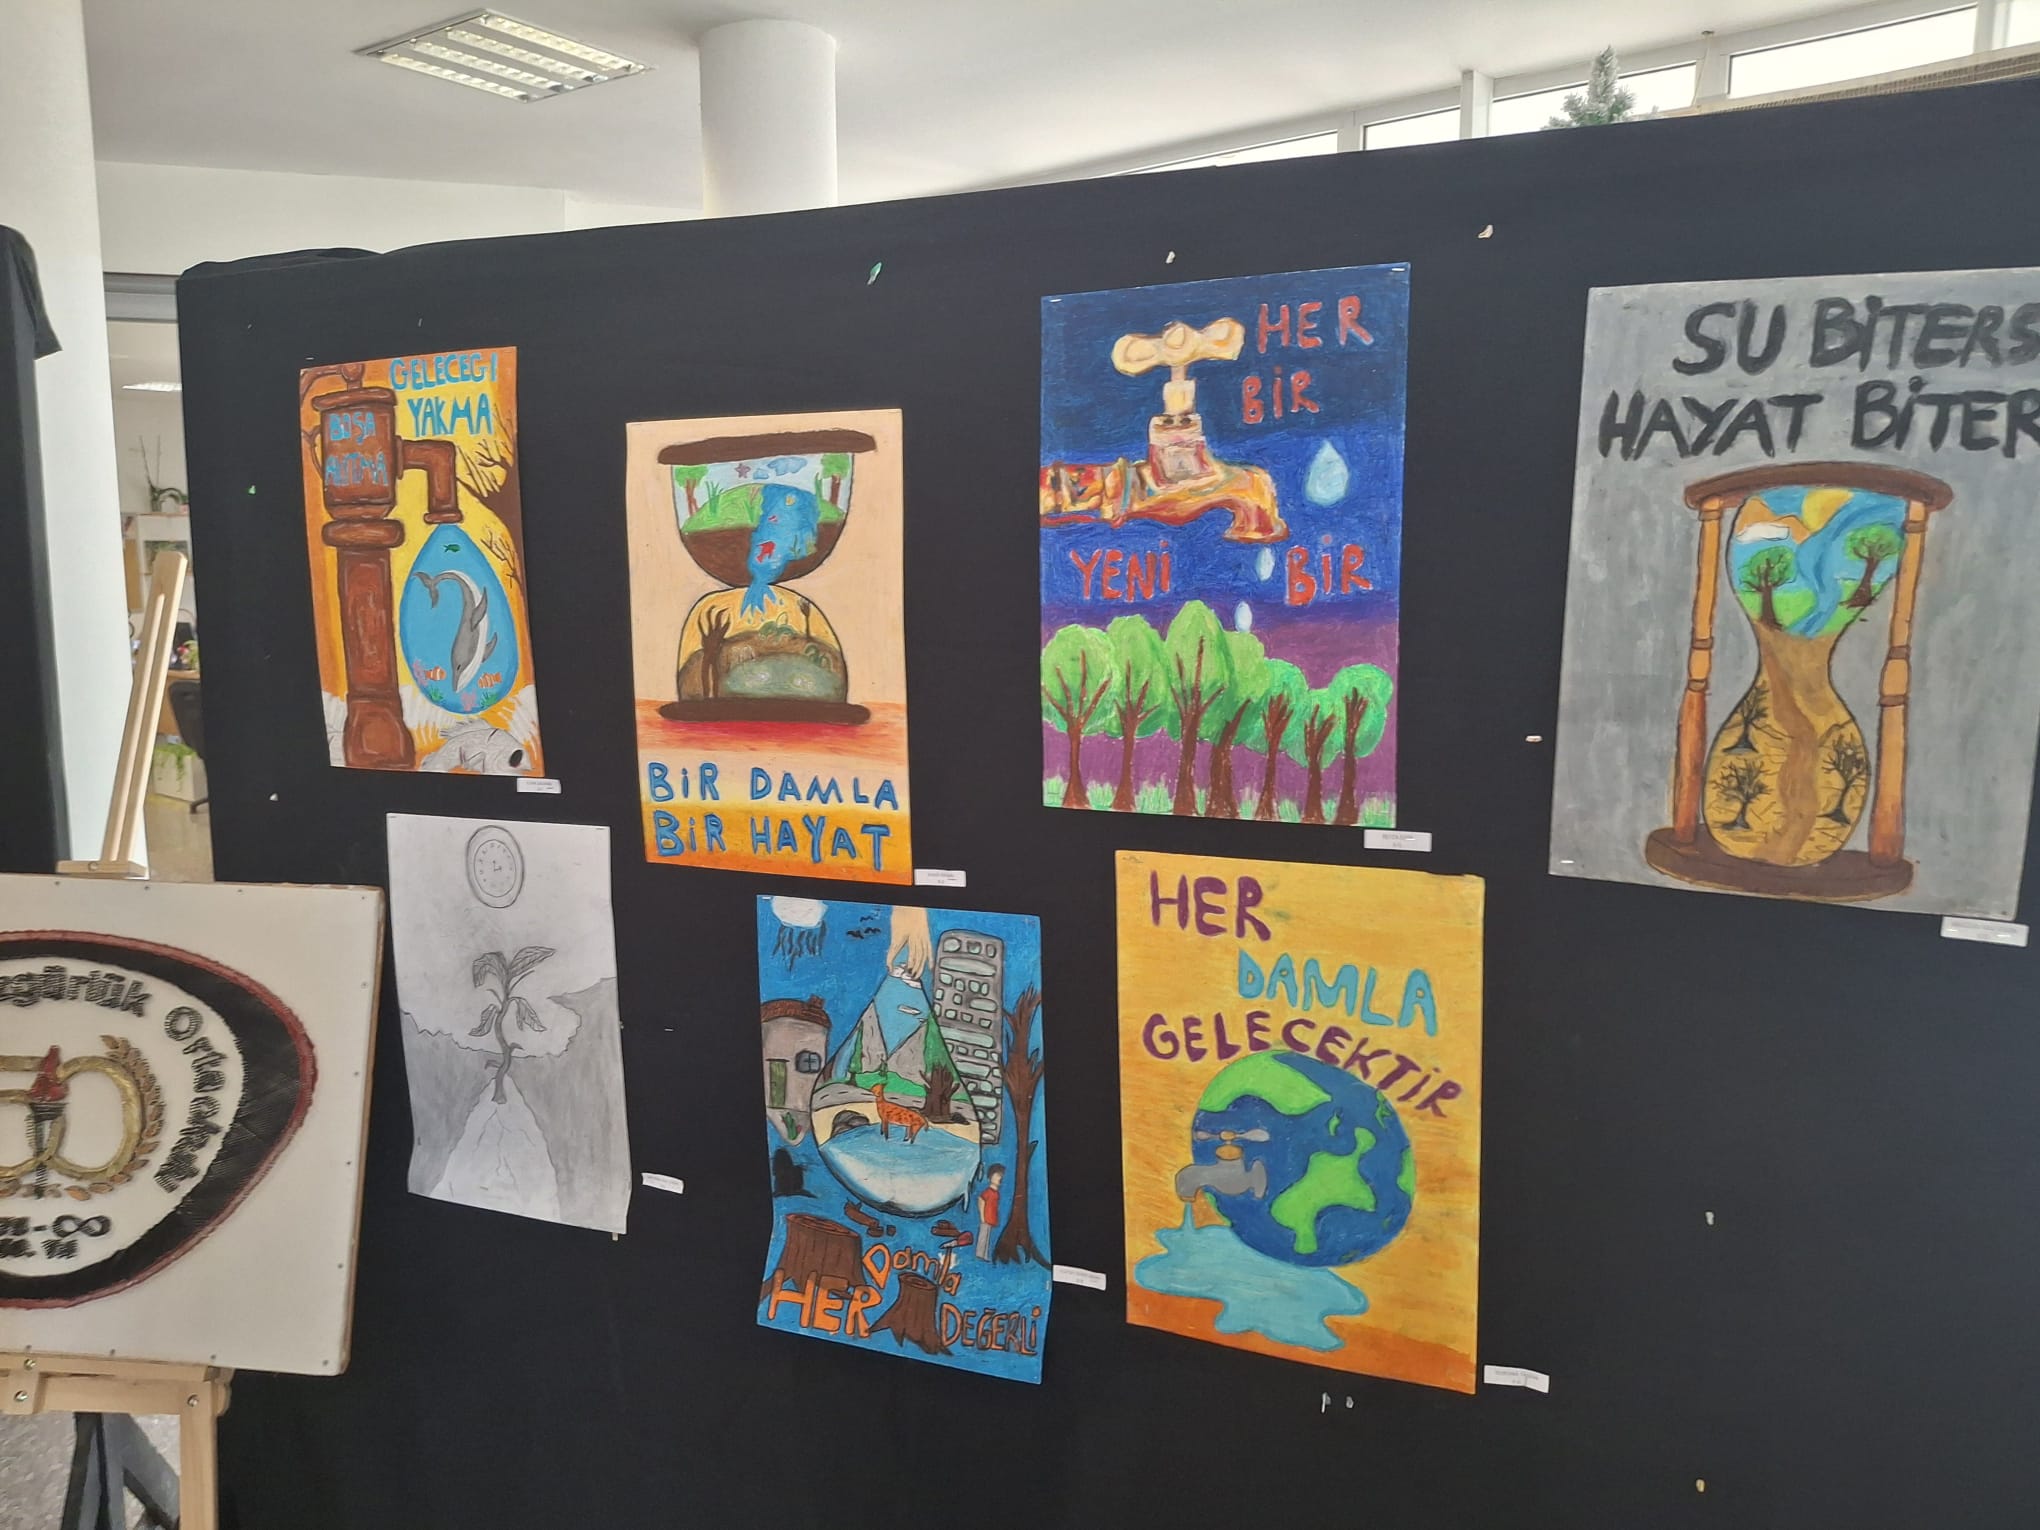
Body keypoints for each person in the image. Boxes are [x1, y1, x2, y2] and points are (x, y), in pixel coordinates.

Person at [975, 1164, 1004, 1260]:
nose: (999, 1178)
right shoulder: (988, 1192)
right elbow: (981, 1200)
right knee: (983, 1236)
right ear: (990, 1177)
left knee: (987, 1236)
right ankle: (980, 1253)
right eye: (997, 1175)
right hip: (986, 1218)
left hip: (991, 1218)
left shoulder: (996, 1193)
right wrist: (982, 1217)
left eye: (1000, 1176)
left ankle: (985, 1254)